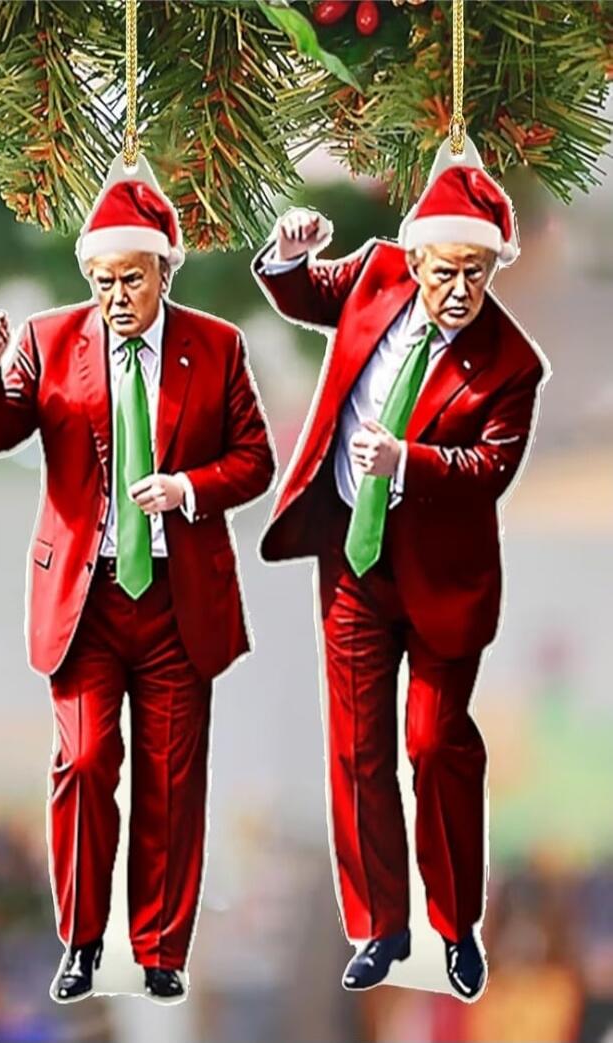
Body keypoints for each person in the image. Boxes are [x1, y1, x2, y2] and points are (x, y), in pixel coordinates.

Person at [0, 168, 275, 1003]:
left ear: (165, 270)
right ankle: (81, 934)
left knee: (173, 776)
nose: (115, 295)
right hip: (85, 596)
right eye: (102, 280)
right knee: (86, 757)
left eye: (131, 277)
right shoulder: (50, 339)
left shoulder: (215, 347)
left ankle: (162, 945)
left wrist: (188, 489)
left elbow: (256, 460)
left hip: (178, 596)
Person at [252, 145, 548, 999]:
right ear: (415, 257)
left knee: (433, 744)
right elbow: (306, 297)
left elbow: (491, 469)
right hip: (352, 558)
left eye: (478, 273)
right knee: (356, 748)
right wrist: (288, 256)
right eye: (446, 269)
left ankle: (457, 924)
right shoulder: (376, 275)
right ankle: (378, 923)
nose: (459, 289)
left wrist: (405, 460)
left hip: (442, 579)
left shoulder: (511, 365)